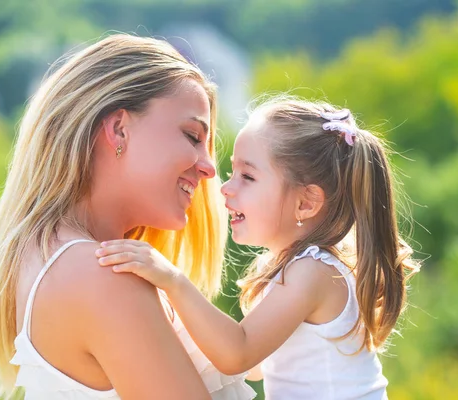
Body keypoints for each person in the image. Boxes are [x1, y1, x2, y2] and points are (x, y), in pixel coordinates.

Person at [0, 34, 256, 400]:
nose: (207, 167)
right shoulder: (105, 276)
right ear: (119, 128)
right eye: (192, 135)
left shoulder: (51, 259)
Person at [98, 96, 421, 399]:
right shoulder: (301, 269)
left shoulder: (311, 271)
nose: (226, 188)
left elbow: (238, 355)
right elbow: (256, 366)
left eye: (248, 177)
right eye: (231, 172)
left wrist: (172, 280)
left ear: (306, 203)